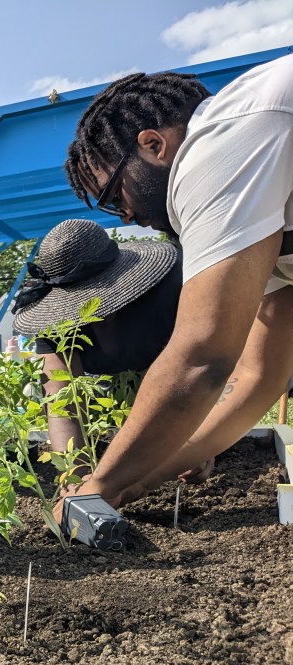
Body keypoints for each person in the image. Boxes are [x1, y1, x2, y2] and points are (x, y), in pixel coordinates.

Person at [59, 54, 293, 513]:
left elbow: (201, 360)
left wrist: (98, 488)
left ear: (153, 145)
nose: (125, 215)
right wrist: (142, 477)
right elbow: (261, 374)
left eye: (113, 194)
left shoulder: (219, 145)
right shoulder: (263, 199)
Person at [12, 219, 182, 460]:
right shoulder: (56, 326)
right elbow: (63, 406)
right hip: (104, 406)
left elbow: (193, 368)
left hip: (175, 389)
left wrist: (195, 442)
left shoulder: (165, 291)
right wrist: (76, 475)